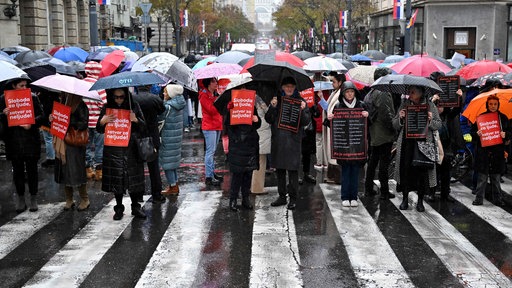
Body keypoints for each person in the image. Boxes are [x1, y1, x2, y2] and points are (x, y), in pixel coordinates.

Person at [96, 87, 147, 220]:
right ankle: (119, 208)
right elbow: (99, 129)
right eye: (116, 97)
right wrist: (103, 121)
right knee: (116, 180)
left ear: (126, 96)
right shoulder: (107, 107)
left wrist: (135, 120)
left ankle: (135, 207)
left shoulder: (133, 106)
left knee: (133, 180)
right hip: (113, 149)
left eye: (121, 97)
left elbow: (143, 127)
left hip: (131, 148)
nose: (119, 100)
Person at [393, 85, 441, 212]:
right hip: (407, 143)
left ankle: (420, 201)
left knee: (422, 172)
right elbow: (395, 123)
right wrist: (401, 118)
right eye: (409, 92)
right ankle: (404, 199)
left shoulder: (430, 105)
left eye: (413, 92)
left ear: (420, 93)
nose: (410, 94)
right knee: (405, 171)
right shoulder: (404, 104)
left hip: (423, 143)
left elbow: (438, 124)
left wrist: (430, 120)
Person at [265, 76, 311, 210]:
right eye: (286, 86)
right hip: (279, 141)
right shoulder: (277, 100)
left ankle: (293, 198)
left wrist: (302, 110)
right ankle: (282, 196)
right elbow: (268, 119)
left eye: (291, 86)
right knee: (279, 170)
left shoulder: (301, 101)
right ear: (282, 88)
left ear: (295, 88)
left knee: (292, 171)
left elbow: (306, 121)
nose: (289, 89)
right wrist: (272, 107)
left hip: (293, 142)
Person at [0, 78, 45, 213]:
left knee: (32, 170)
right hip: (13, 141)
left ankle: (33, 197)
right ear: (14, 86)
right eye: (21, 85)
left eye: (26, 85)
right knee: (17, 170)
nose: (24, 87)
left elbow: (41, 116)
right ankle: (20, 198)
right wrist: (3, 114)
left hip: (30, 140)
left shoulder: (32, 98)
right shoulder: (3, 98)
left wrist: (31, 123)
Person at [326, 81, 369, 207]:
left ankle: (353, 196)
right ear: (343, 94)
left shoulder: (361, 105)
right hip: (344, 145)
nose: (350, 94)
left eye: (352, 92)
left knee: (355, 172)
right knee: (345, 171)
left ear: (355, 92)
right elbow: (331, 125)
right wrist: (329, 118)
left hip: (357, 144)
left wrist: (367, 116)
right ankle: (345, 196)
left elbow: (368, 125)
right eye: (347, 92)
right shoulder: (338, 106)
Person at [471, 95, 510, 206]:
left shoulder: (503, 118)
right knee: (482, 178)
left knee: (496, 178)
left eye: (495, 104)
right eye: (490, 104)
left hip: (497, 153)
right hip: (484, 153)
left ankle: (497, 199)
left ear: (498, 105)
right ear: (487, 105)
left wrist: (506, 135)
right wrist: (476, 134)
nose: (493, 106)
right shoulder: (481, 118)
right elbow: (472, 133)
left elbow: (509, 134)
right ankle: (479, 199)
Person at [53, 93, 90, 211]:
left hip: (74, 143)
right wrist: (52, 119)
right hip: (61, 140)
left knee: (77, 170)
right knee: (64, 171)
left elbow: (84, 123)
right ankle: (69, 199)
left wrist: (69, 122)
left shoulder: (80, 105)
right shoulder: (62, 104)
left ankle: (85, 199)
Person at [364, 67, 396, 200]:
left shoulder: (370, 92)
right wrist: (394, 126)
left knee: (373, 161)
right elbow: (386, 114)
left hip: (375, 133)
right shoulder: (383, 92)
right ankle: (384, 191)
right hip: (383, 133)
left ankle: (368, 187)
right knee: (383, 163)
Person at [224, 93, 261, 211]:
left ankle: (246, 199)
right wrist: (228, 111)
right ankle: (233, 199)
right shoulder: (232, 106)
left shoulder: (251, 106)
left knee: (248, 174)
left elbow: (257, 125)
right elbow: (227, 125)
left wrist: (257, 120)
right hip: (238, 145)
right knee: (237, 175)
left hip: (250, 144)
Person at [133, 85, 167, 203]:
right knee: (154, 168)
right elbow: (162, 110)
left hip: (137, 135)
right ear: (149, 86)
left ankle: (138, 195)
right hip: (152, 135)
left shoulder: (133, 99)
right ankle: (157, 195)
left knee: (138, 167)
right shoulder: (155, 98)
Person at [159, 84, 186, 195]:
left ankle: (173, 186)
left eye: (166, 92)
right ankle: (174, 184)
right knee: (172, 163)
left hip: (167, 138)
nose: (163, 94)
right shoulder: (178, 105)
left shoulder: (168, 107)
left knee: (167, 164)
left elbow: (159, 118)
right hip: (175, 138)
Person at [83, 61, 107, 181]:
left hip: (84, 122)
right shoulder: (99, 85)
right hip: (98, 122)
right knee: (99, 146)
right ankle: (99, 171)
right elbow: (103, 104)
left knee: (86, 145)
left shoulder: (80, 84)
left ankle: (88, 169)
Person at [199, 78, 224, 186]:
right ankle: (209, 176)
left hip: (217, 124)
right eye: (213, 82)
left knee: (213, 151)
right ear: (208, 83)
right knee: (210, 152)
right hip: (209, 126)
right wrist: (218, 101)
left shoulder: (214, 94)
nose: (216, 84)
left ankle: (212, 173)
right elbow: (212, 110)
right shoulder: (203, 95)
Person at [323, 73, 346, 184]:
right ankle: (332, 175)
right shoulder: (335, 93)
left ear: (340, 82)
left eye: (334, 82)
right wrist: (321, 99)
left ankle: (337, 177)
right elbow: (328, 107)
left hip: (337, 127)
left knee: (334, 151)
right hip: (331, 125)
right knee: (330, 150)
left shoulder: (341, 93)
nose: (332, 84)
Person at [250, 95, 271, 195]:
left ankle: (253, 186)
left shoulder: (249, 99)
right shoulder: (260, 100)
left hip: (256, 132)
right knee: (261, 162)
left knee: (257, 161)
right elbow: (268, 114)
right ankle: (257, 188)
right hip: (262, 132)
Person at [37, 89, 59, 168]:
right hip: (55, 119)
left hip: (47, 121)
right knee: (53, 139)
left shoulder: (43, 96)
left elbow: (43, 109)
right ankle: (54, 157)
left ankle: (51, 158)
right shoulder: (57, 95)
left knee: (49, 139)